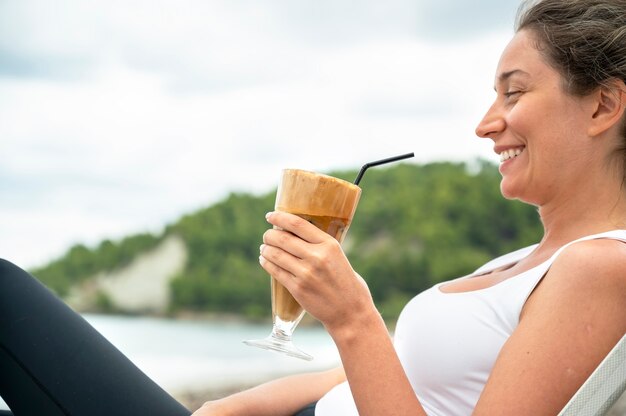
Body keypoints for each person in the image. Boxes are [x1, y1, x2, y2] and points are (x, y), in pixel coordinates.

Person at [193, 0, 626, 415]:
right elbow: (391, 376)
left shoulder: (599, 265)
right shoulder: (530, 261)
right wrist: (229, 406)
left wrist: (353, 317)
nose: (485, 125)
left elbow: (370, 352)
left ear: (603, 106)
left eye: (513, 93)